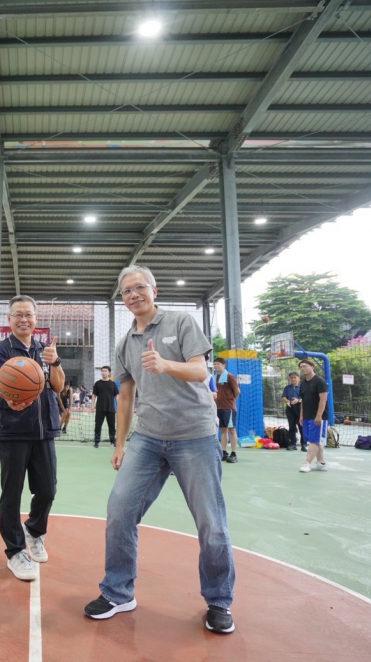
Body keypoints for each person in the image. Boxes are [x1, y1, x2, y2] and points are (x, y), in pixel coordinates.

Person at [83, 266, 236, 634]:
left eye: (139, 287)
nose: (133, 295)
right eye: (126, 291)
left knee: (211, 524)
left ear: (155, 290)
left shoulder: (181, 322)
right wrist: (120, 443)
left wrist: (165, 364)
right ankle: (118, 592)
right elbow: (125, 398)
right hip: (148, 438)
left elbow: (201, 372)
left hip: (195, 435)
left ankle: (219, 601)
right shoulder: (125, 344)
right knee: (119, 511)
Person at [0, 295, 64, 582]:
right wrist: (14, 399)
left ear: (36, 318)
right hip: (13, 432)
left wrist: (55, 362)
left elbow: (58, 387)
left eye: (28, 314)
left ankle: (33, 529)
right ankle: (15, 551)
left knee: (48, 490)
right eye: (18, 314)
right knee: (12, 493)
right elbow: (6, 388)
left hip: (44, 431)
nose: (24, 319)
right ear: (9, 319)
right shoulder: (1, 350)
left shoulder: (46, 350)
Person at [297, 359, 328, 473]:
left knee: (314, 441)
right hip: (307, 416)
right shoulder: (303, 383)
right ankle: (321, 463)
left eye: (305, 366)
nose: (303, 368)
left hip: (318, 417)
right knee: (314, 440)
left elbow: (323, 400)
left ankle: (307, 463)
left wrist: (319, 416)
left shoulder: (320, 381)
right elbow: (303, 401)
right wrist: (301, 415)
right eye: (301, 367)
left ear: (312, 367)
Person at [213, 357, 241, 463]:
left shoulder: (229, 376)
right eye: (214, 364)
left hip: (228, 408)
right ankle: (224, 452)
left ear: (224, 365)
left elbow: (237, 391)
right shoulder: (215, 377)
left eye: (218, 364)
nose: (216, 366)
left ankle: (234, 454)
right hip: (218, 407)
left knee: (232, 430)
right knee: (223, 430)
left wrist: (231, 401)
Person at [93, 366, 118, 448]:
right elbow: (94, 395)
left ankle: (113, 441)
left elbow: (117, 395)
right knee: (98, 425)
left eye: (105, 371)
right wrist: (92, 405)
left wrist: (120, 406)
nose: (103, 372)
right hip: (100, 408)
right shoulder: (97, 383)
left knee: (112, 426)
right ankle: (97, 441)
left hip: (111, 408)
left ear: (109, 373)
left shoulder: (113, 384)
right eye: (102, 371)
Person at [282, 371, 303, 451]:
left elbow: (305, 398)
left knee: (301, 426)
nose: (293, 379)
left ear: (299, 378)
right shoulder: (287, 388)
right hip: (290, 409)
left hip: (300, 408)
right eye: (291, 378)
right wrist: (287, 401)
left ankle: (304, 444)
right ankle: (293, 443)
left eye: (295, 377)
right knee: (292, 427)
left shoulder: (302, 387)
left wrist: (298, 400)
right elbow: (284, 396)